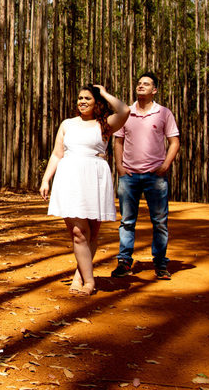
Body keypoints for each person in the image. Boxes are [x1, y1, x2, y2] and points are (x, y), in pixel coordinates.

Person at [39, 85, 129, 296]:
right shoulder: (67, 124)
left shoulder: (105, 123)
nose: (82, 101)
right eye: (80, 98)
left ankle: (80, 276)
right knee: (79, 232)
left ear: (96, 102)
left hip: (95, 177)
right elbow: (56, 154)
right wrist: (45, 180)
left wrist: (105, 93)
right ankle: (90, 282)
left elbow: (125, 111)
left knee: (91, 232)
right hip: (69, 177)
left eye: (87, 98)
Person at [111, 71, 180, 281]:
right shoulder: (126, 113)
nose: (141, 86)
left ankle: (160, 263)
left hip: (155, 177)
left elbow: (174, 141)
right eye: (139, 83)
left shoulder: (163, 113)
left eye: (146, 84)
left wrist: (165, 165)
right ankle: (124, 261)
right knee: (127, 221)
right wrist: (120, 168)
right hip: (129, 176)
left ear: (155, 90)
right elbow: (118, 142)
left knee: (159, 221)